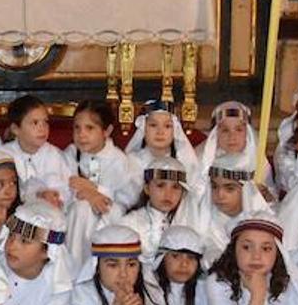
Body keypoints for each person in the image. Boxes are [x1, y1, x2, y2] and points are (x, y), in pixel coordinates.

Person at [63, 99, 143, 280]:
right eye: (77, 128)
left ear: (106, 131)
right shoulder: (71, 154)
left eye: (89, 128)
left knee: (86, 209)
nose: (82, 134)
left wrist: (95, 191)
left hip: (110, 215)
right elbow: (67, 184)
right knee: (81, 209)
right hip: (77, 213)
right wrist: (89, 195)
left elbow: (127, 198)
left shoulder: (119, 160)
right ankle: (74, 270)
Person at [194, 153, 275, 267]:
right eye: (215, 186)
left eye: (229, 188)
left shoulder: (265, 221)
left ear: (246, 190)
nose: (220, 194)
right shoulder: (200, 219)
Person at [119, 156, 202, 267]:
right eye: (161, 186)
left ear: (183, 193)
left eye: (175, 187)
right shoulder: (129, 223)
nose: (168, 194)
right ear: (147, 189)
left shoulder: (189, 222)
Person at [3, 94, 71, 207]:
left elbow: (68, 189)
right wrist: (36, 195)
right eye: (35, 123)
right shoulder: (4, 155)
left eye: (45, 122)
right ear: (15, 129)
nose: (42, 128)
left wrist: (55, 196)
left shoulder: (55, 155)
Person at [195, 101, 272, 197]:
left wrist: (265, 196)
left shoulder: (258, 161)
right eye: (225, 130)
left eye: (238, 130)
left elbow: (271, 195)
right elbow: (195, 197)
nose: (232, 137)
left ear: (247, 133)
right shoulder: (202, 160)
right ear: (215, 134)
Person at [124, 100, 204, 188]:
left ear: (175, 130)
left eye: (167, 126)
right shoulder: (131, 162)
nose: (160, 132)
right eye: (153, 125)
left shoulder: (185, 162)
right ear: (143, 128)